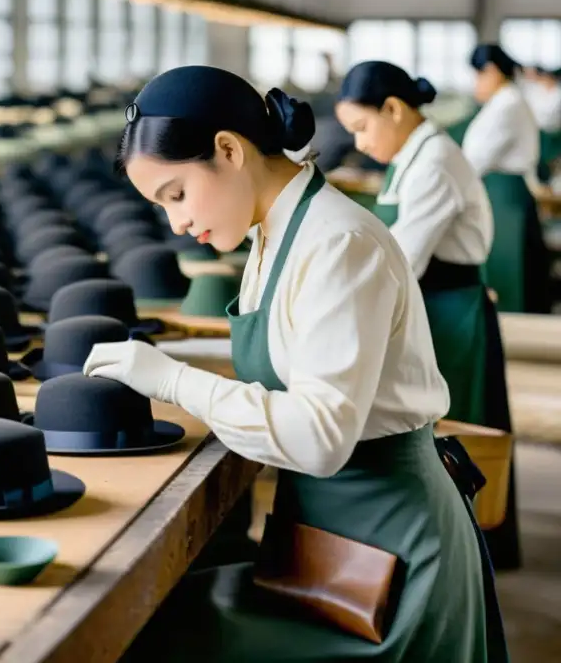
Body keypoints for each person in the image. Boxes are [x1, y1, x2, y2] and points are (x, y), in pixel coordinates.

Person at [83, 66, 507, 662]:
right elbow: (290, 354)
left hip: (389, 553)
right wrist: (163, 362)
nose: (175, 222)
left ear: (229, 150)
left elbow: (320, 437)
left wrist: (175, 381)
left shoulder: (336, 244)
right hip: (329, 538)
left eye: (175, 195)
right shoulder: (274, 233)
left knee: (160, 632)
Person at [335, 60, 520, 569]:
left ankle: (462, 552)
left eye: (362, 128)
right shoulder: (412, 156)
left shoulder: (435, 161)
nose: (362, 142)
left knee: (455, 430)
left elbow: (403, 259)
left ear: (393, 109)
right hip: (427, 302)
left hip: (448, 309)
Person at [463, 43, 550, 314]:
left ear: (492, 71)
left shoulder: (507, 104)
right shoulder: (503, 101)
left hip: (505, 197)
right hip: (499, 192)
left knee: (511, 270)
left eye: (478, 76)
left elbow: (477, 157)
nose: (476, 84)